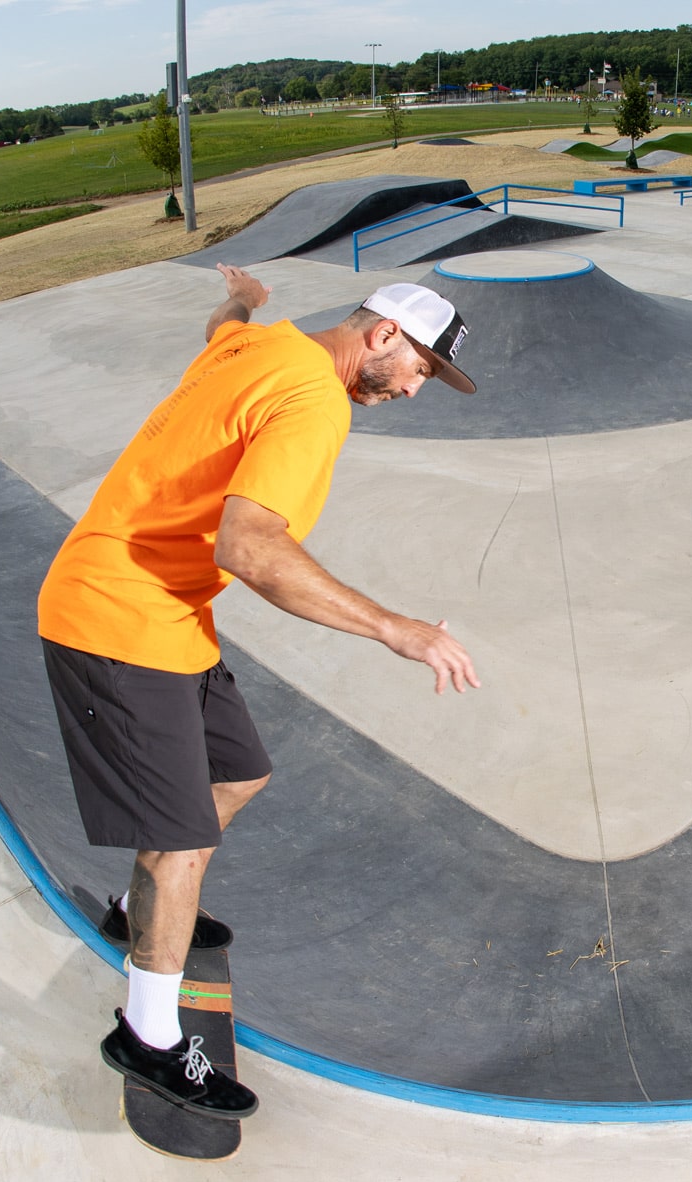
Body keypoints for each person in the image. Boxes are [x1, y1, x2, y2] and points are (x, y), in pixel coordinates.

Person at [39, 265, 483, 1119]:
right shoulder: (314, 402)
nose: (414, 392)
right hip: (116, 619)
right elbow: (249, 547)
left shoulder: (255, 343)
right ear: (383, 334)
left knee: (240, 773)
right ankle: (148, 1037)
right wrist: (400, 628)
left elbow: (220, 320)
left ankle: (138, 909)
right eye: (421, 369)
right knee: (182, 841)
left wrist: (247, 294)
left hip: (166, 615)